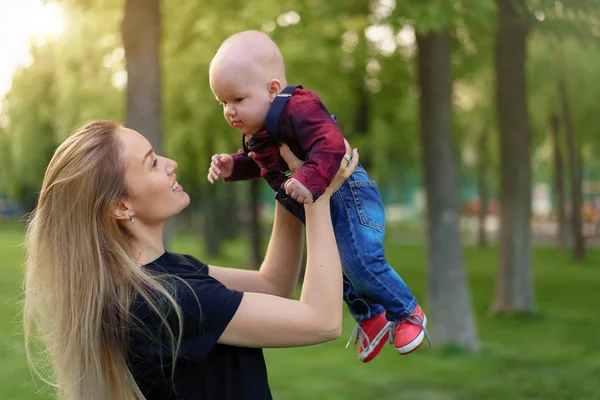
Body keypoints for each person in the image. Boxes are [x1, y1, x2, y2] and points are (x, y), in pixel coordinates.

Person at [23, 120, 358, 399]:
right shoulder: (170, 301)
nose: (171, 164)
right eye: (152, 162)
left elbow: (274, 284)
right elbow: (322, 321)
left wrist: (285, 178)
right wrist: (317, 193)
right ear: (121, 207)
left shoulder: (165, 273)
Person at [207, 30, 429, 363]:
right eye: (223, 102)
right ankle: (371, 318)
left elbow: (331, 144)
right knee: (336, 269)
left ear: (272, 90)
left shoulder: (299, 107)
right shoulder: (257, 129)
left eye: (237, 99)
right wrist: (233, 167)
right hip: (317, 198)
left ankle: (408, 312)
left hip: (349, 195)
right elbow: (264, 164)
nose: (229, 111)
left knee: (361, 262)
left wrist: (308, 179)